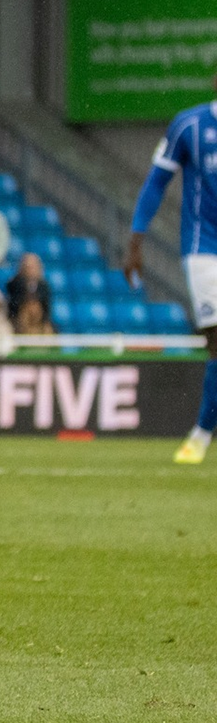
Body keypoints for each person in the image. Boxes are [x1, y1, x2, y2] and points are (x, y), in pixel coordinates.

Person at [127, 81, 217, 464]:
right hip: (204, 246)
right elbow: (157, 181)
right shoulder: (190, 125)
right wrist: (135, 240)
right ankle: (200, 434)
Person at [7, 250, 51, 321]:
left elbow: (46, 307)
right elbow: (13, 305)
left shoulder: (44, 286)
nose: (30, 270)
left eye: (33, 267)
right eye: (28, 267)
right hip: (18, 320)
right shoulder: (14, 284)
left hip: (40, 321)